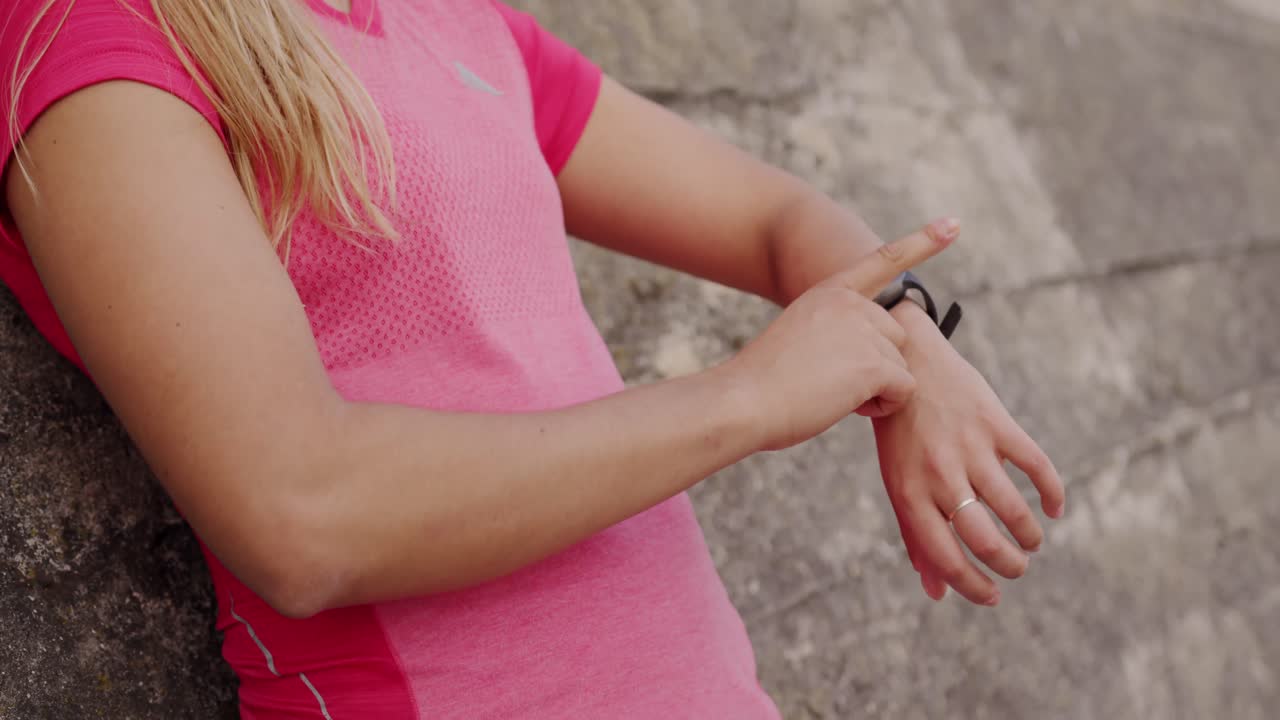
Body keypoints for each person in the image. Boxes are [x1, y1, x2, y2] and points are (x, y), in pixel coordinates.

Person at [0, 0, 1065, 717]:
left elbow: (773, 218)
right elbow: (299, 510)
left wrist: (912, 347)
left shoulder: (455, 19)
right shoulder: (89, 36)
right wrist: (745, 399)